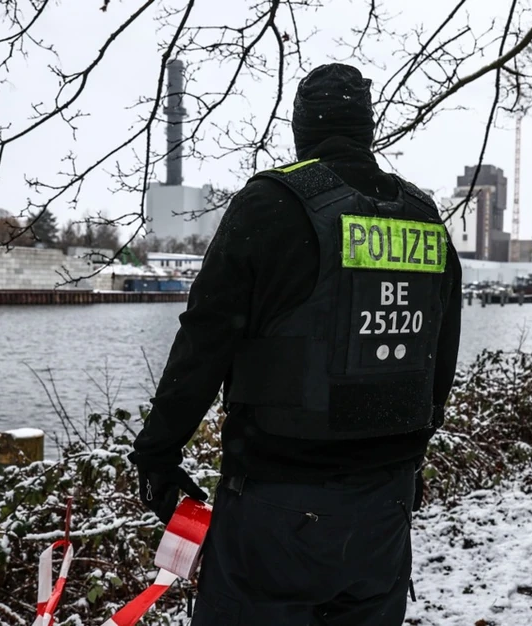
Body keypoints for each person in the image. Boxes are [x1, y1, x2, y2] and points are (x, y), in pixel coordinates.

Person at [128, 63, 462, 626]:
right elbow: (438, 359)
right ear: (369, 128)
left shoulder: (270, 204)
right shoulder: (425, 219)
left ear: (300, 129)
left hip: (276, 510)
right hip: (385, 508)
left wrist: (157, 455)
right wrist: (408, 458)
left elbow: (205, 339)